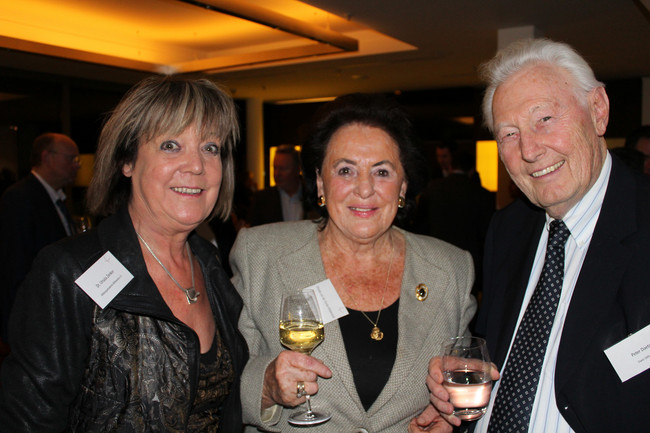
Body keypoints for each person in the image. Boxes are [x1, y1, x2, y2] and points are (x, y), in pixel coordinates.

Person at [421, 38, 650, 433]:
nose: (529, 150)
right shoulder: (508, 229)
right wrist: (464, 388)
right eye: (509, 134)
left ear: (598, 110)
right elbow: (500, 353)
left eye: (544, 119)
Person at [0, 75, 248, 432]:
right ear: (127, 161)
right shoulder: (69, 272)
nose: (197, 165)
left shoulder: (212, 269)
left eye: (210, 148)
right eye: (171, 145)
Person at [231, 93, 476, 432]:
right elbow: (221, 379)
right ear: (320, 181)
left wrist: (449, 410)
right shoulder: (262, 254)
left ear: (403, 186)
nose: (364, 189)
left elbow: (457, 375)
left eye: (382, 172)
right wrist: (267, 387)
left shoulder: (450, 269)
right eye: (345, 170)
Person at [0, 132, 80, 343]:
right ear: (47, 157)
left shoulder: (56, 199)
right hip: (36, 321)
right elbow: (15, 267)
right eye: (71, 158)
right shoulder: (20, 198)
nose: (77, 165)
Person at [414, 150, 495, 299]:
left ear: (451, 166)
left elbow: (419, 228)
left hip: (435, 260)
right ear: (471, 170)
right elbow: (488, 235)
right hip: (469, 265)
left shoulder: (432, 189)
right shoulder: (482, 194)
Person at [247, 144, 316, 226]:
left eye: (282, 169)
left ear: (297, 169)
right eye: (275, 168)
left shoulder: (313, 196)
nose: (277, 173)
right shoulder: (262, 199)